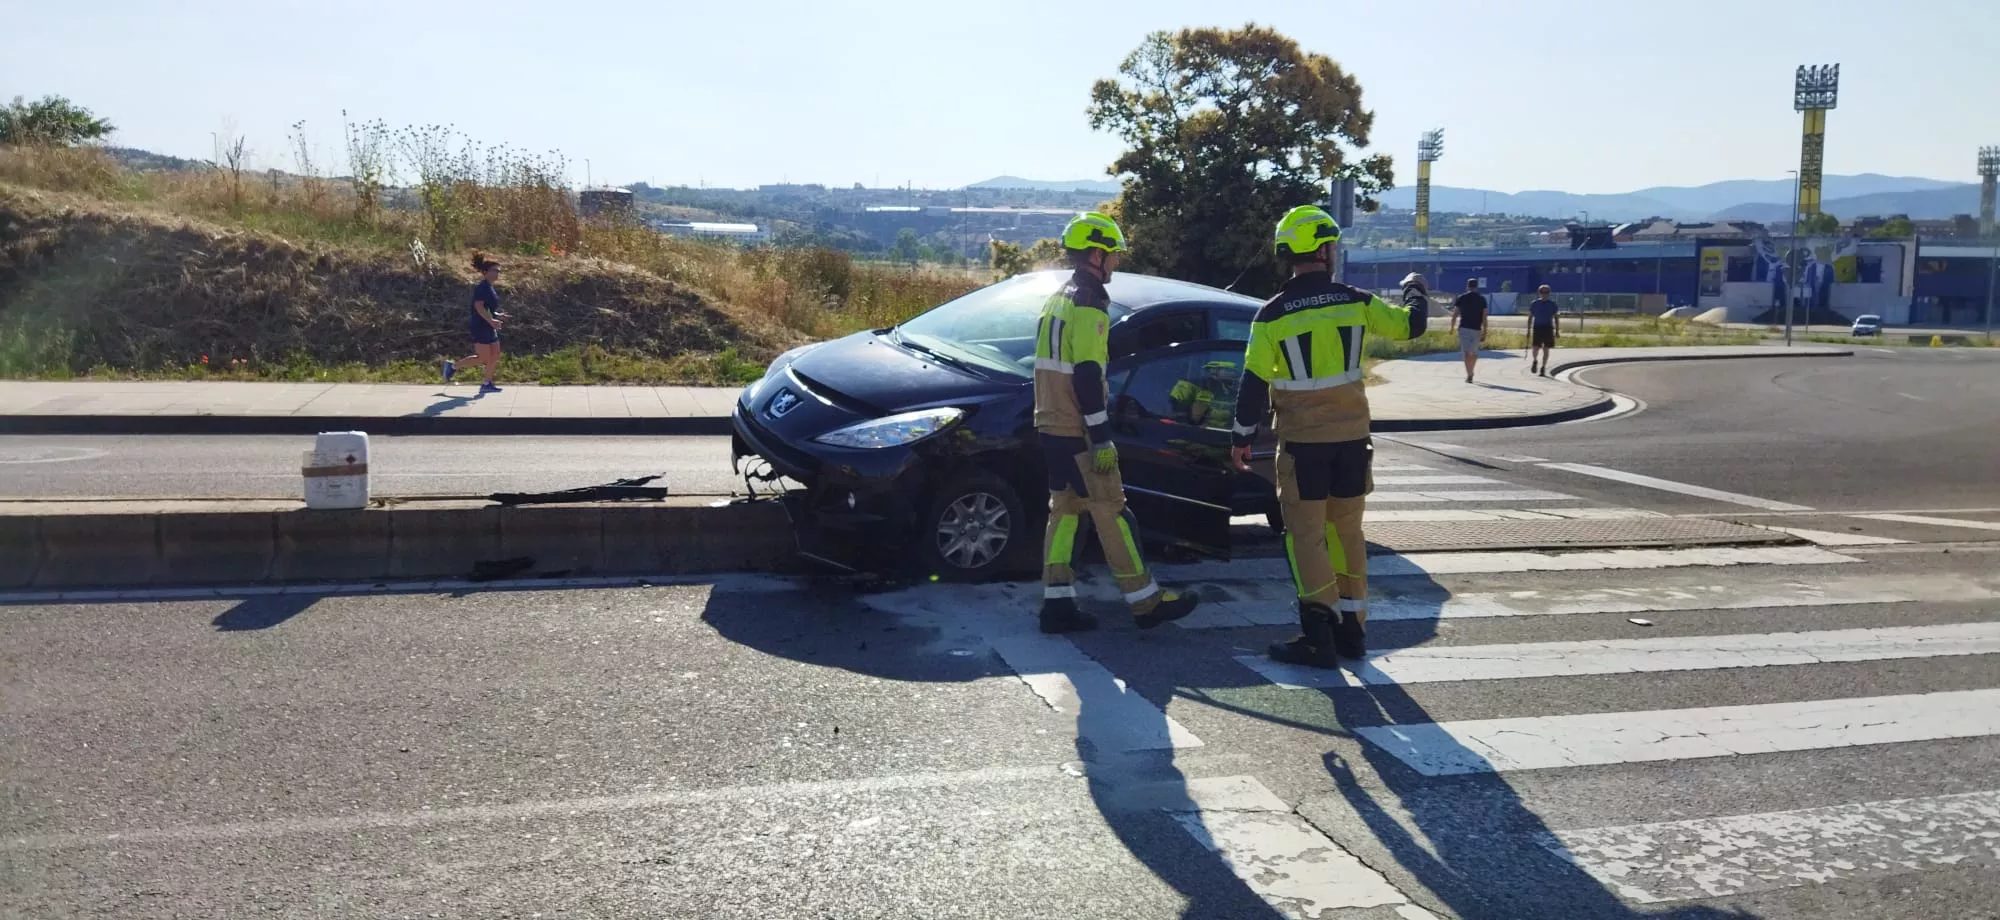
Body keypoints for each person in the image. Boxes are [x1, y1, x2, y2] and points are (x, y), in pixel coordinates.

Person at [1228, 206, 1428, 666]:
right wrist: (1415, 289)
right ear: (1321, 250)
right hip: (1353, 443)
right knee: (1347, 532)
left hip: (1303, 447)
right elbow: (1410, 326)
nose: (1334, 251)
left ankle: (1319, 636)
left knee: (1306, 538)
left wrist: (1240, 437)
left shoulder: (1272, 315)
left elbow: (1253, 383)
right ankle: (1353, 635)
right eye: (1332, 245)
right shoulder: (1355, 301)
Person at [1033, 212, 1200, 634]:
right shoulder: (1089, 303)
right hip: (1076, 429)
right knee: (1112, 510)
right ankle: (1146, 601)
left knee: (1066, 511)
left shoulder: (1059, 297)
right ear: (1095, 254)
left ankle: (1057, 604)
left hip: (1050, 424)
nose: (1116, 263)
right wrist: (1101, 436)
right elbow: (1088, 373)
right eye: (1113, 255)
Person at [444, 252, 506, 393]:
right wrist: (491, 321)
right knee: (483, 357)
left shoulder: (490, 287)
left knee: (495, 355)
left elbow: (487, 308)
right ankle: (452, 367)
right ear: (485, 272)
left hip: (489, 325)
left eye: (499, 271)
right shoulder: (482, 287)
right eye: (494, 270)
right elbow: (478, 306)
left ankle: (487, 383)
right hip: (480, 326)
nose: (497, 273)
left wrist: (497, 315)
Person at [1449, 278, 1488, 383]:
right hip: (1476, 328)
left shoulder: (1462, 298)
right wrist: (1485, 331)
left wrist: (1452, 327)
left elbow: (1455, 314)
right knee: (1474, 353)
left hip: (1464, 328)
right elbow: (1484, 317)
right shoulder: (1482, 299)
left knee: (1466, 353)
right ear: (1476, 286)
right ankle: (1471, 372)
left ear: (1467, 286)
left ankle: (1469, 373)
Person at [1527, 284, 1559, 375]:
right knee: (1535, 347)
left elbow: (1556, 318)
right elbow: (1530, 317)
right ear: (1539, 293)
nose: (1544, 294)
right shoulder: (1534, 304)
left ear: (1549, 293)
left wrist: (1557, 331)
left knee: (1546, 348)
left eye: (1546, 292)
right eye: (1542, 292)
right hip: (1537, 328)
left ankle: (1543, 367)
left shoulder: (1552, 304)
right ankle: (1535, 360)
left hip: (1548, 328)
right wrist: (1528, 330)